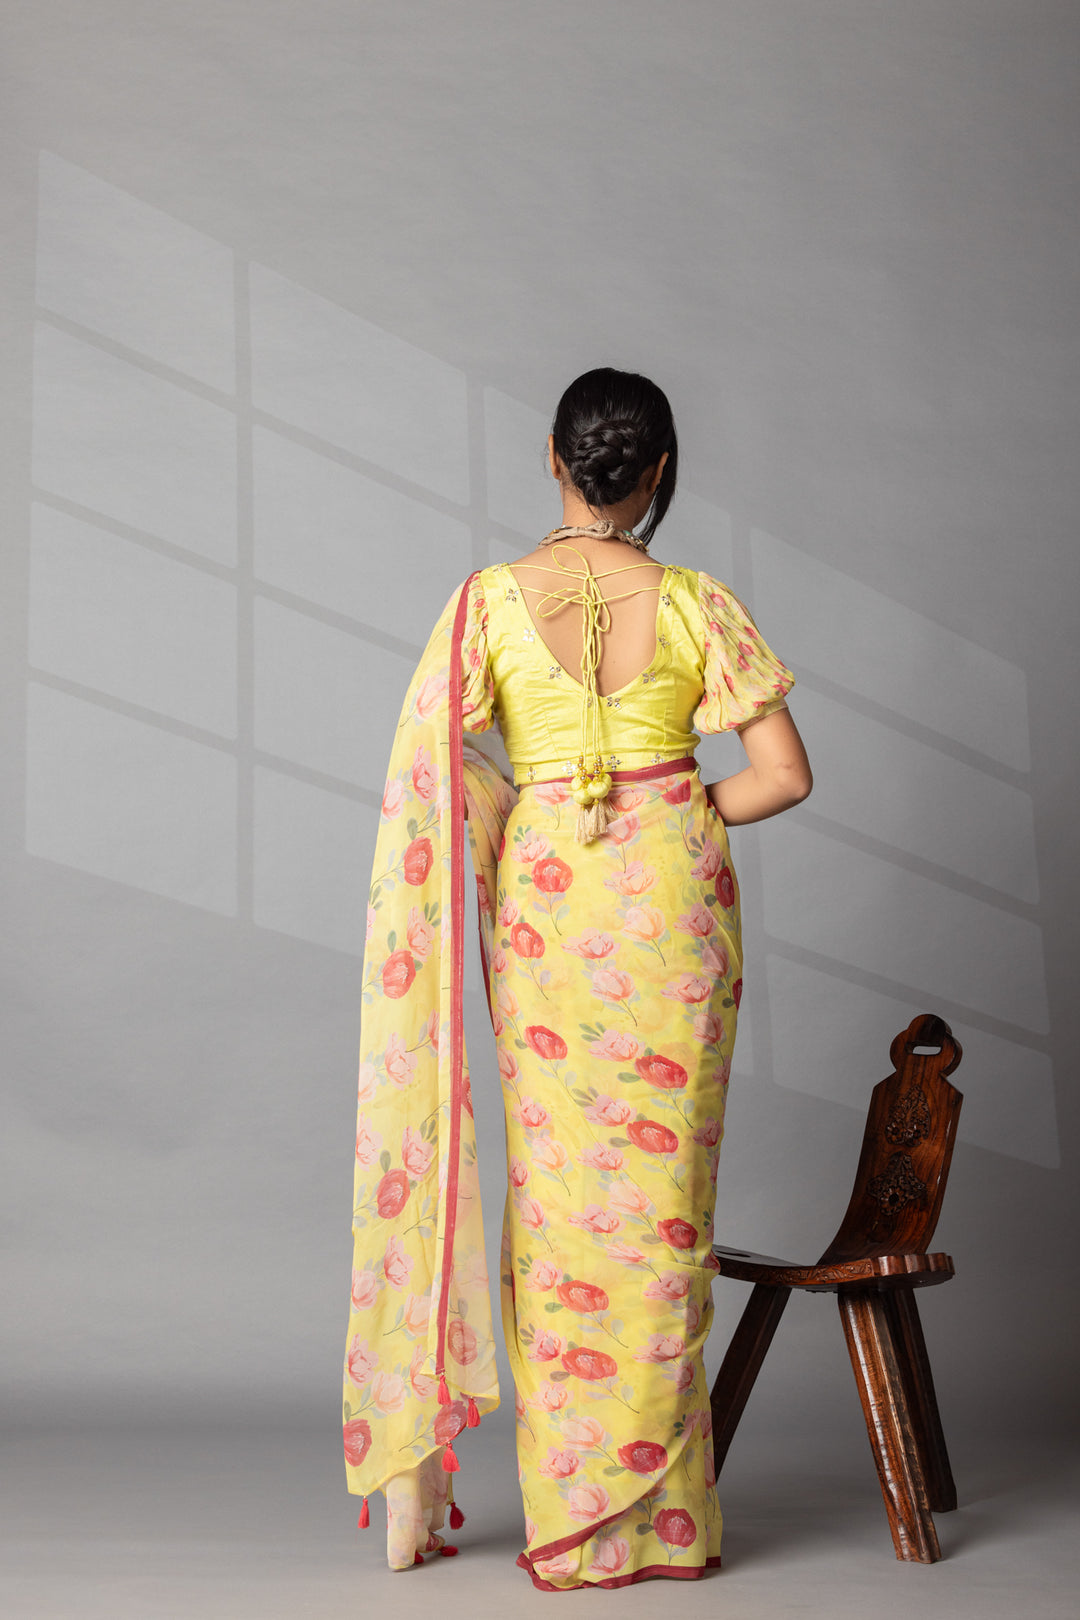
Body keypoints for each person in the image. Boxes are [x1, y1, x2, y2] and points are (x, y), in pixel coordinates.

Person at [342, 367, 812, 1589]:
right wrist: (677, 810)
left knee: (559, 1207)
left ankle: (573, 1519)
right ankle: (661, 1524)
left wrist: (527, 806)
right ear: (658, 473)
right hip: (672, 911)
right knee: (663, 1208)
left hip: (548, 907)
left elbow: (435, 773)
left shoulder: (485, 605)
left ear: (554, 459)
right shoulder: (699, 602)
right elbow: (784, 776)